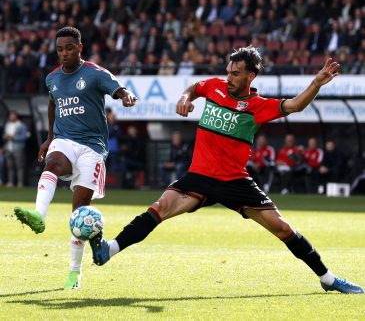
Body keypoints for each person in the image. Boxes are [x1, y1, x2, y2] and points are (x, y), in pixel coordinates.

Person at [90, 46, 363, 294]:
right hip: (199, 176)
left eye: (236, 73)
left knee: (283, 229)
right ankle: (108, 251)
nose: (229, 77)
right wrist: (186, 98)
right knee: (159, 208)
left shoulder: (257, 107)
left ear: (251, 76)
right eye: (228, 71)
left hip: (235, 181)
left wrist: (316, 83)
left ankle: (328, 279)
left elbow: (295, 105)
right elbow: (194, 88)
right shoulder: (215, 86)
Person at [13, 27, 137, 290]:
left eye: (69, 48)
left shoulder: (94, 73)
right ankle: (38, 215)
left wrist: (127, 96)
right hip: (65, 139)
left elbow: (118, 88)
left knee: (79, 213)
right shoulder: (52, 79)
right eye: (59, 49)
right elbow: (52, 103)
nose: (64, 53)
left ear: (80, 47)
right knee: (53, 163)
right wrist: (49, 137)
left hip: (93, 147)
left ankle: (74, 273)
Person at [3, 111, 30, 187]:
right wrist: (6, 137)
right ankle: (10, 182)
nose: (11, 117)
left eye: (12, 116)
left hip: (18, 148)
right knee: (9, 166)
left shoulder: (21, 125)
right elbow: (4, 135)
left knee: (19, 166)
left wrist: (13, 137)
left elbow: (25, 136)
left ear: (16, 116)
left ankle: (20, 182)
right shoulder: (7, 124)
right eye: (10, 116)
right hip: (8, 148)